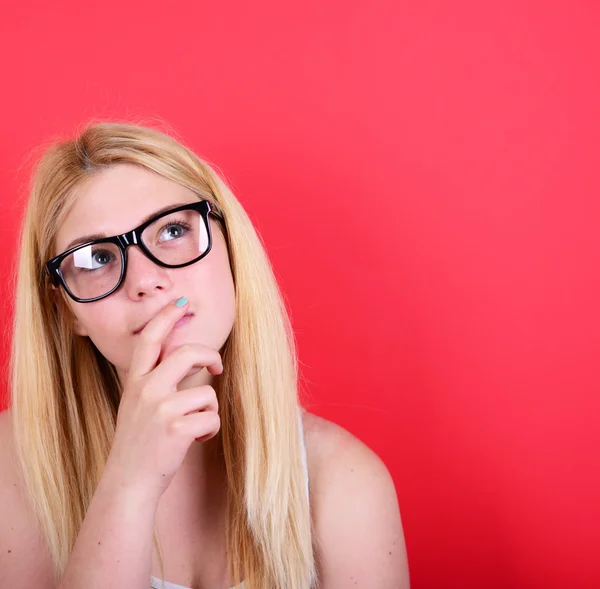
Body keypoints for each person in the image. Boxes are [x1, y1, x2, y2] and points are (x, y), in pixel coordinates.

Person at [0, 121, 409, 589]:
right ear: (67, 310)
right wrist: (128, 484)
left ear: (231, 245)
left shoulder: (344, 482)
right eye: (96, 258)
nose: (146, 280)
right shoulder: (10, 469)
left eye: (173, 229)